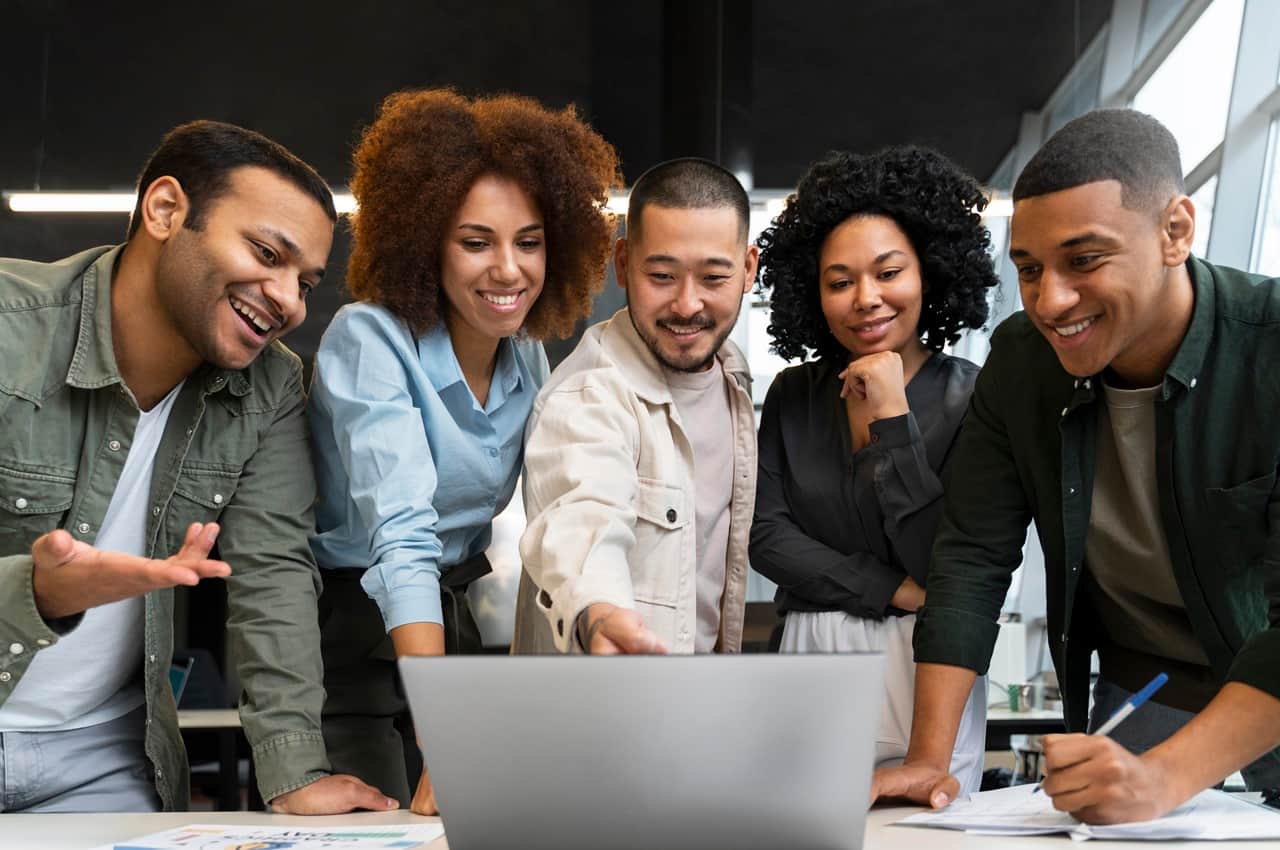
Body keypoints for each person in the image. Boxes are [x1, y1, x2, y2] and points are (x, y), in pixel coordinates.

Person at [871, 108, 1280, 823]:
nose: (1050, 301)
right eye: (1029, 269)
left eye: (1084, 260)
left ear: (1176, 231)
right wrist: (929, 763)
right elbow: (971, 557)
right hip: (1147, 689)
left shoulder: (1269, 345)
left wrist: (1163, 779)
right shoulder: (1020, 364)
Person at [0, 120, 391, 814]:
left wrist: (294, 772)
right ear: (164, 211)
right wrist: (34, 592)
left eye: (305, 282)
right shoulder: (10, 328)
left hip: (102, 756)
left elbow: (272, 571)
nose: (288, 300)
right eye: (266, 253)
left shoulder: (270, 386)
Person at [307, 88, 619, 814]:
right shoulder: (369, 339)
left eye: (529, 242)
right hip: (347, 630)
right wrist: (444, 735)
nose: (508, 269)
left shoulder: (527, 356)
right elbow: (403, 536)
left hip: (450, 620)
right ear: (426, 244)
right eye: (476, 242)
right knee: (382, 824)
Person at [750, 146, 998, 793]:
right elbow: (766, 537)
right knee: (796, 824)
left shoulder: (975, 399)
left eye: (889, 273)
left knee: (924, 829)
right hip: (808, 658)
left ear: (930, 274)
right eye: (840, 282)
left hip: (929, 666)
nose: (866, 300)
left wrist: (892, 419)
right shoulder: (794, 395)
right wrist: (892, 589)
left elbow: (944, 563)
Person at [511, 158, 758, 656]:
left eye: (714, 277)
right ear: (623, 264)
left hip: (697, 694)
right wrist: (599, 614)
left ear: (749, 269)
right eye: (662, 275)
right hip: (602, 695)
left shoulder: (733, 374)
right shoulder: (588, 394)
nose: (687, 304)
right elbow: (584, 516)